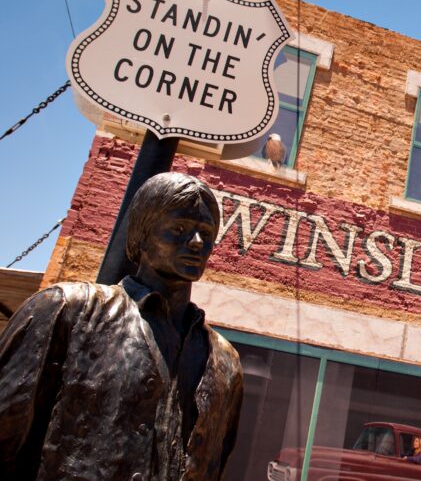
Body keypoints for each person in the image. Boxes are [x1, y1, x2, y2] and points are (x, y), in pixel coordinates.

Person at [0, 173, 243, 480]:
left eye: (205, 233)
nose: (196, 243)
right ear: (142, 233)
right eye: (179, 229)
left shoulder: (225, 362)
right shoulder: (68, 310)